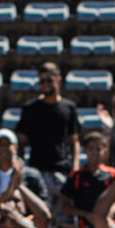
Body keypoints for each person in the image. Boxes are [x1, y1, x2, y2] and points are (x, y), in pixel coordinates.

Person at [20, 63, 84, 210]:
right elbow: (21, 142)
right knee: (40, 219)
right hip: (37, 170)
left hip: (61, 170)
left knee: (65, 220)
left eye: (49, 80)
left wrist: (75, 167)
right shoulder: (30, 109)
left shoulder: (69, 107)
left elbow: (74, 141)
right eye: (42, 81)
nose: (45, 84)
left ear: (59, 80)